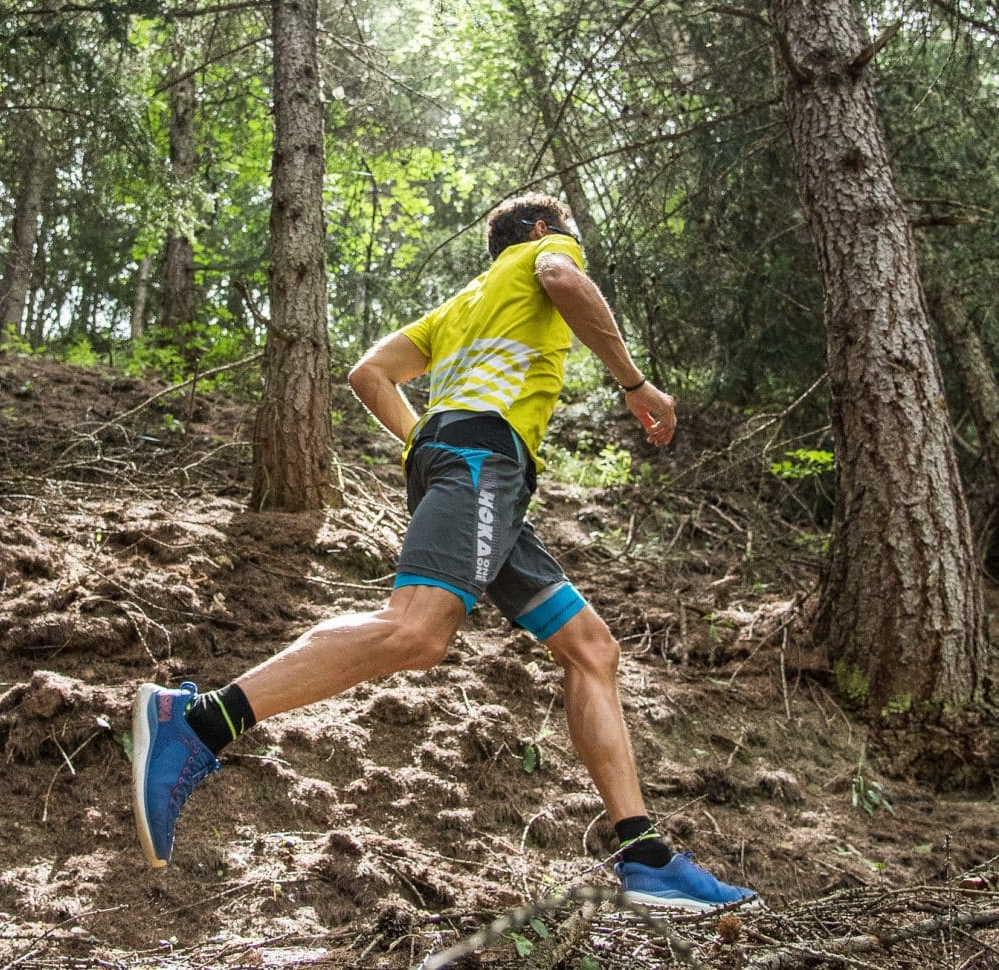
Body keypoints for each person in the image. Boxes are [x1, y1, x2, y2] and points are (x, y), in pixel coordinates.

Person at [131, 192, 758, 912]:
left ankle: (642, 856)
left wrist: (425, 446)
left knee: (590, 647)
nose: (569, 250)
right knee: (417, 633)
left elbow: (369, 373)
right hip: (480, 461)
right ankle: (200, 723)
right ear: (543, 229)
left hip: (465, 464)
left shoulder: (467, 300)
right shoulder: (546, 253)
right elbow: (563, 282)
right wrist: (634, 384)